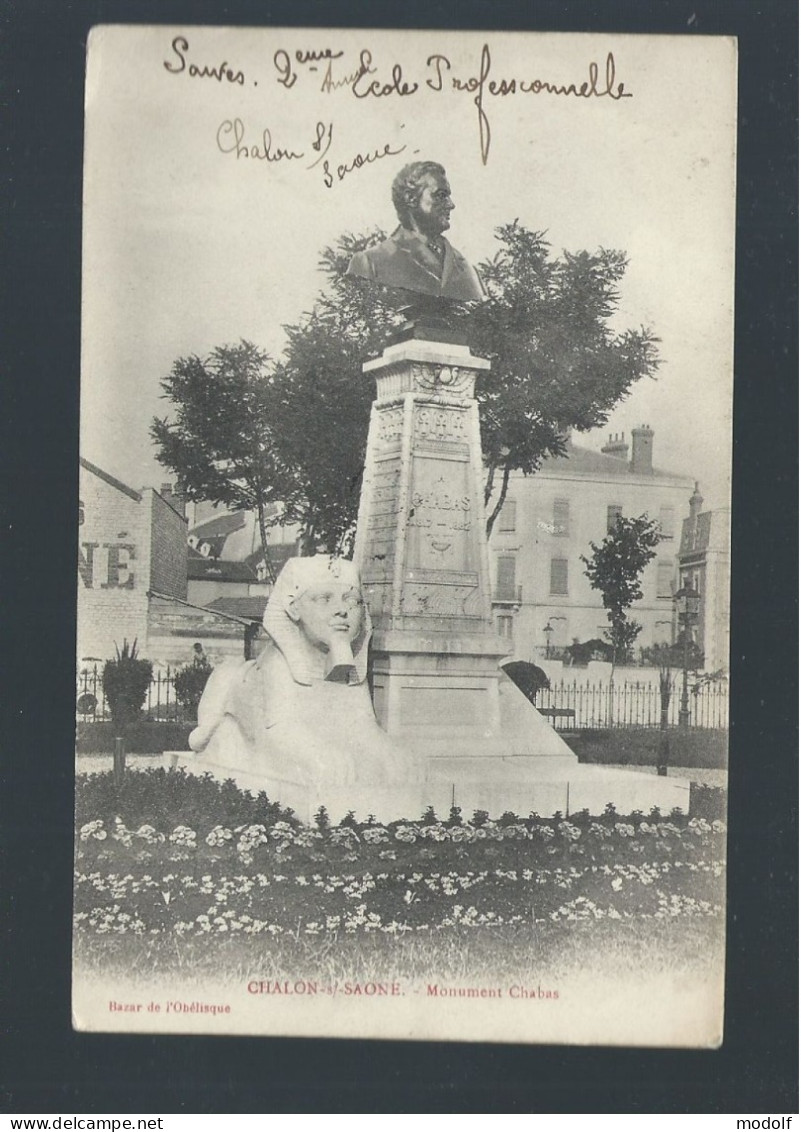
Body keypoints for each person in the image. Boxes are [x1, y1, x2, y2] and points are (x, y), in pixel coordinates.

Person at [188, 557, 410, 799]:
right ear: (294, 608)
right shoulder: (278, 663)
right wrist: (315, 756)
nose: (342, 610)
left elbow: (364, 726)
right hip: (238, 695)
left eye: (352, 601)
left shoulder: (351, 668)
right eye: (324, 598)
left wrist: (390, 753)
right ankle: (210, 726)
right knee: (226, 675)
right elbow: (279, 732)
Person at [346, 161, 485, 302]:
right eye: (440, 195)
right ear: (411, 198)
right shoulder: (370, 263)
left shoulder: (469, 270)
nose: (451, 204)